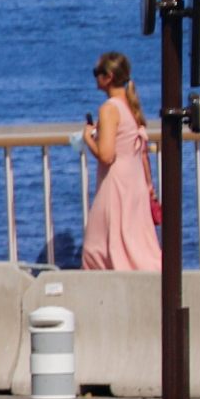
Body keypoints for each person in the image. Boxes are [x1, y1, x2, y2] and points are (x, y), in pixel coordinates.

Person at [77, 53, 162, 271]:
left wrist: (87, 137)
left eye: (97, 73)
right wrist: (149, 185)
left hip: (116, 184)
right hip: (135, 183)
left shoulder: (109, 109)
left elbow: (106, 155)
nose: (95, 77)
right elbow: (142, 153)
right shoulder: (131, 106)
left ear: (109, 77)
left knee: (95, 248)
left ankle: (105, 296)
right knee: (135, 245)